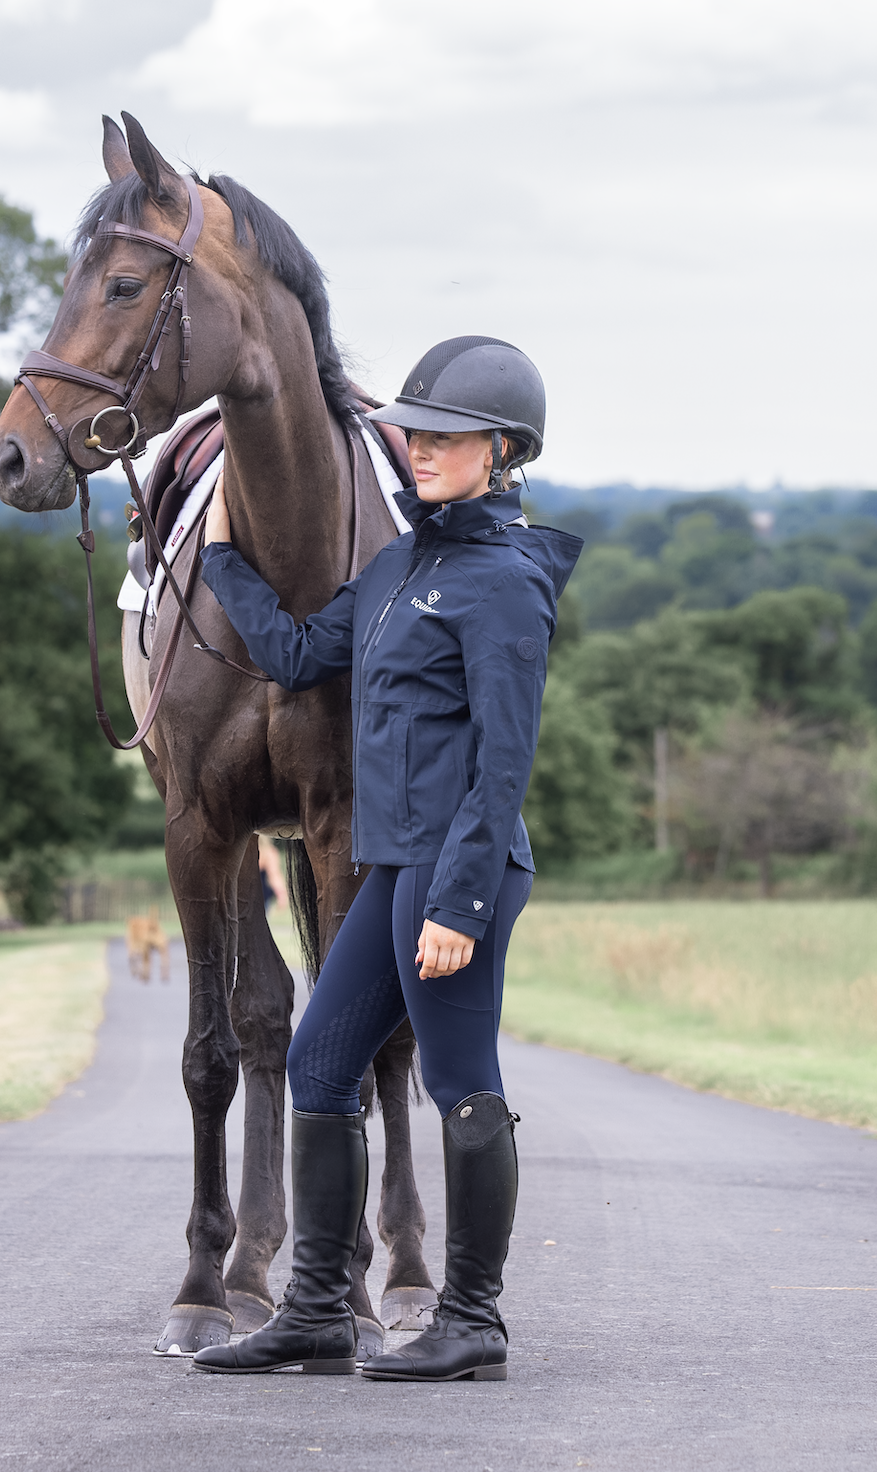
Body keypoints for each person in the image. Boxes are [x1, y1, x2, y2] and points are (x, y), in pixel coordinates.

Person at [190, 336, 582, 1382]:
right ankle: (319, 1310)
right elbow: (295, 653)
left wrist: (460, 903)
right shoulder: (399, 567)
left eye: (447, 435)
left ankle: (474, 1321)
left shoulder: (508, 581)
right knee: (321, 1065)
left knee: (459, 1081)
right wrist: (220, 560)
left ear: (503, 451)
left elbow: (503, 765)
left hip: (459, 870)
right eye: (414, 431)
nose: (421, 447)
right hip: (393, 864)